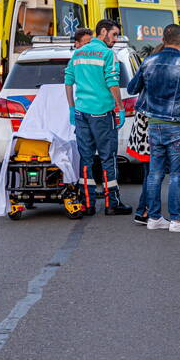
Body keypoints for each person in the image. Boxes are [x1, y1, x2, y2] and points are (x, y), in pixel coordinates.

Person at [126, 24, 180, 233]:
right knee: (177, 174)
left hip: (153, 125)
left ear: (163, 38)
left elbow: (132, 88)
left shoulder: (148, 61)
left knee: (155, 174)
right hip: (177, 125)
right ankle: (176, 220)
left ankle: (155, 217)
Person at [64, 19, 131, 217]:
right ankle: (112, 203)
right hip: (102, 113)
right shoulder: (107, 54)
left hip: (82, 113)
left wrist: (71, 108)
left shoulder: (78, 53)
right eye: (114, 34)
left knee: (85, 158)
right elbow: (112, 82)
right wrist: (119, 107)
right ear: (103, 32)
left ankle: (87, 203)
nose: (115, 39)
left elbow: (68, 81)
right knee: (107, 158)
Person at [126, 43, 163, 225]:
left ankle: (143, 210)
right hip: (156, 121)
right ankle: (145, 211)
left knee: (150, 170)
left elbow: (132, 88)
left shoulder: (147, 65)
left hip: (143, 121)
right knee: (154, 172)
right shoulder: (172, 67)